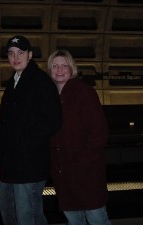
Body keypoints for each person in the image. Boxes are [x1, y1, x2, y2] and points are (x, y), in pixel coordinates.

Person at [0, 35, 62, 225]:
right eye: (11, 53)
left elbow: (53, 120)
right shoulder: (13, 82)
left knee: (28, 217)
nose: (15, 57)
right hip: (10, 166)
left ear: (30, 55)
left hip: (28, 166)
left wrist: (23, 144)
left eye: (21, 53)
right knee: (10, 216)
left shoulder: (41, 82)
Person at [47, 49, 111, 225]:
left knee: (97, 218)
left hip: (86, 174)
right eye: (55, 66)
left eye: (64, 65)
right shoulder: (48, 97)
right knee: (74, 221)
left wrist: (80, 162)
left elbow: (99, 132)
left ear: (72, 68)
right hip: (64, 176)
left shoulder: (84, 92)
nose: (59, 70)